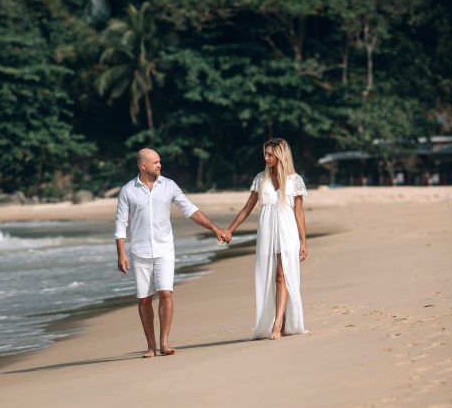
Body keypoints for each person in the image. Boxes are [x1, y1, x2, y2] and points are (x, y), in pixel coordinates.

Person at [115, 148, 230, 358]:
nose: (160, 165)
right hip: (139, 252)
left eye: (160, 161)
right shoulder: (128, 191)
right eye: (155, 162)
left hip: (165, 248)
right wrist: (121, 253)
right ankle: (151, 346)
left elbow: (190, 209)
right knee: (144, 299)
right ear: (143, 166)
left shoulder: (169, 185)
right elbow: (121, 224)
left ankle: (164, 343)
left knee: (166, 293)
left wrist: (214, 228)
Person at [225, 138, 308, 340]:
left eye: (270, 154)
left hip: (288, 231)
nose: (266, 157)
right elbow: (247, 208)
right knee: (270, 276)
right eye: (266, 153)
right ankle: (284, 319)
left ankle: (277, 323)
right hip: (267, 231)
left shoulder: (295, 180)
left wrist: (304, 241)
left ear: (281, 155)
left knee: (283, 274)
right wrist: (229, 230)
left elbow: (299, 213)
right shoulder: (260, 179)